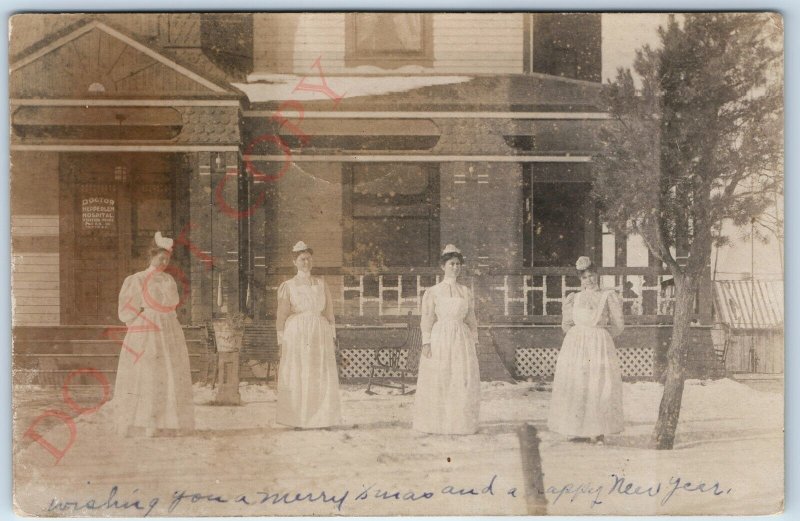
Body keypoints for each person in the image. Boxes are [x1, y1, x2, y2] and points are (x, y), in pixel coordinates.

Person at [112, 232, 195, 437]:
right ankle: (143, 423)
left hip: (169, 329)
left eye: (167, 259)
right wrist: (138, 329)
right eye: (161, 258)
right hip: (147, 330)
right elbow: (127, 310)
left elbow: (172, 307)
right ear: (151, 257)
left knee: (168, 374)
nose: (164, 262)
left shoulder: (168, 280)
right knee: (147, 374)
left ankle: (167, 422)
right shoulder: (138, 279)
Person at [547, 256, 625, 445]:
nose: (588, 280)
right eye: (584, 277)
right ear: (580, 280)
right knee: (577, 384)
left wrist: (601, 336)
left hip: (598, 345)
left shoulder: (608, 296)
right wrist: (578, 335)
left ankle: (597, 431)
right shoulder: (574, 298)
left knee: (597, 385)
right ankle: (576, 428)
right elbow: (566, 325)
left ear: (597, 275)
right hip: (575, 346)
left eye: (591, 276)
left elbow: (618, 325)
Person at [413, 244, 481, 435]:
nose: (455, 268)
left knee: (460, 377)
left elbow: (471, 318)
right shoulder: (433, 292)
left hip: (461, 337)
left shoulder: (465, 292)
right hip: (440, 336)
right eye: (451, 264)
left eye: (458, 264)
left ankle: (459, 423)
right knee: (440, 376)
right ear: (443, 266)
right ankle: (436, 423)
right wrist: (426, 342)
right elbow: (426, 318)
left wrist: (475, 340)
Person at [275, 241, 342, 429]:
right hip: (296, 334)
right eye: (302, 259)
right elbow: (281, 316)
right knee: (300, 373)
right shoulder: (287, 286)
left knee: (319, 373)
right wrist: (281, 341)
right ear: (294, 262)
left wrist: (333, 337)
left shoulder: (321, 284)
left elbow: (329, 313)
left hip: (319, 334)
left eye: (308, 259)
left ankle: (322, 418)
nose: (306, 263)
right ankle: (298, 419)